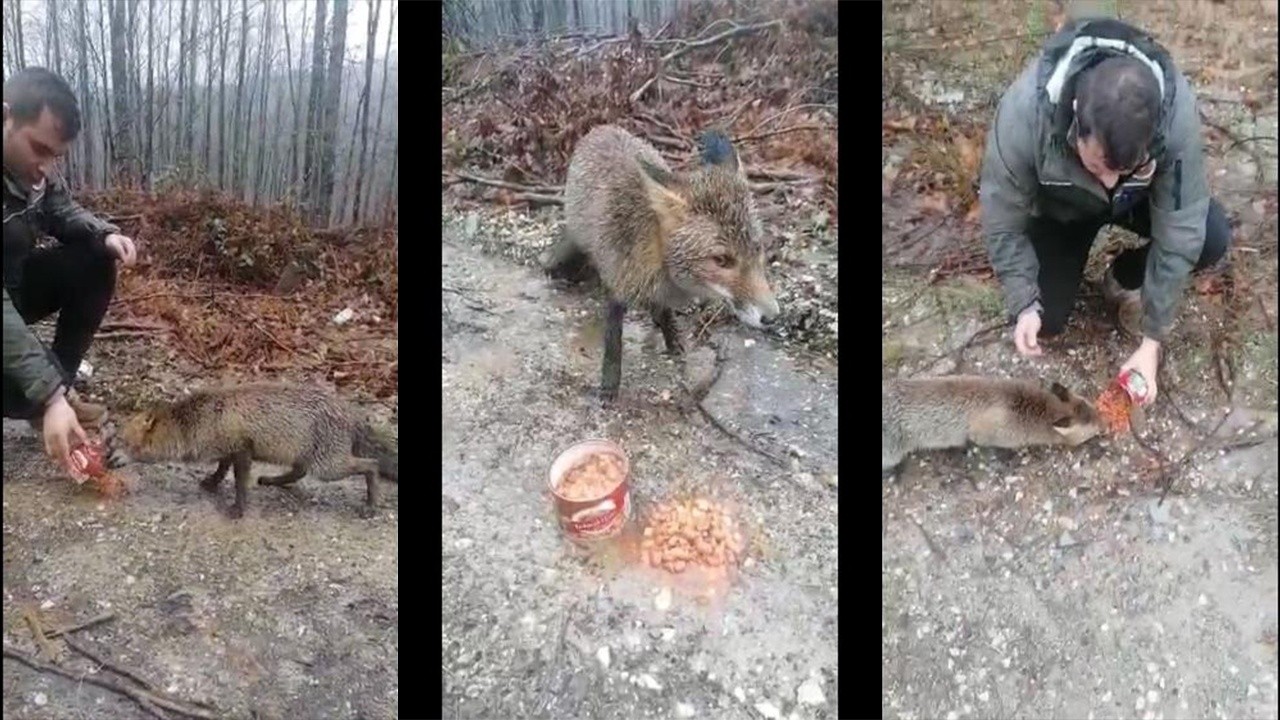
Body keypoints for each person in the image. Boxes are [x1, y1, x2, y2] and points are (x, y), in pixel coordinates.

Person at [979, 16, 1230, 407]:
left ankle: (1123, 275)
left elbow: (1181, 228)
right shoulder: (1026, 113)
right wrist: (1024, 299)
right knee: (1045, 320)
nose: (1110, 182)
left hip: (1137, 203)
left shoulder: (1174, 115)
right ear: (1077, 113)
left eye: (1123, 169)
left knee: (1210, 237)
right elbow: (1002, 217)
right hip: (1063, 210)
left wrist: (1152, 342)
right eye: (1098, 166)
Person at [3, 67, 138, 471]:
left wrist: (104, 234)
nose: (45, 166)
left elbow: (60, 209)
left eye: (55, 157)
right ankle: (47, 399)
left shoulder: (30, 172)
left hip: (13, 289)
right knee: (31, 393)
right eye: (39, 149)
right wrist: (49, 395)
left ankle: (57, 383)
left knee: (95, 259)